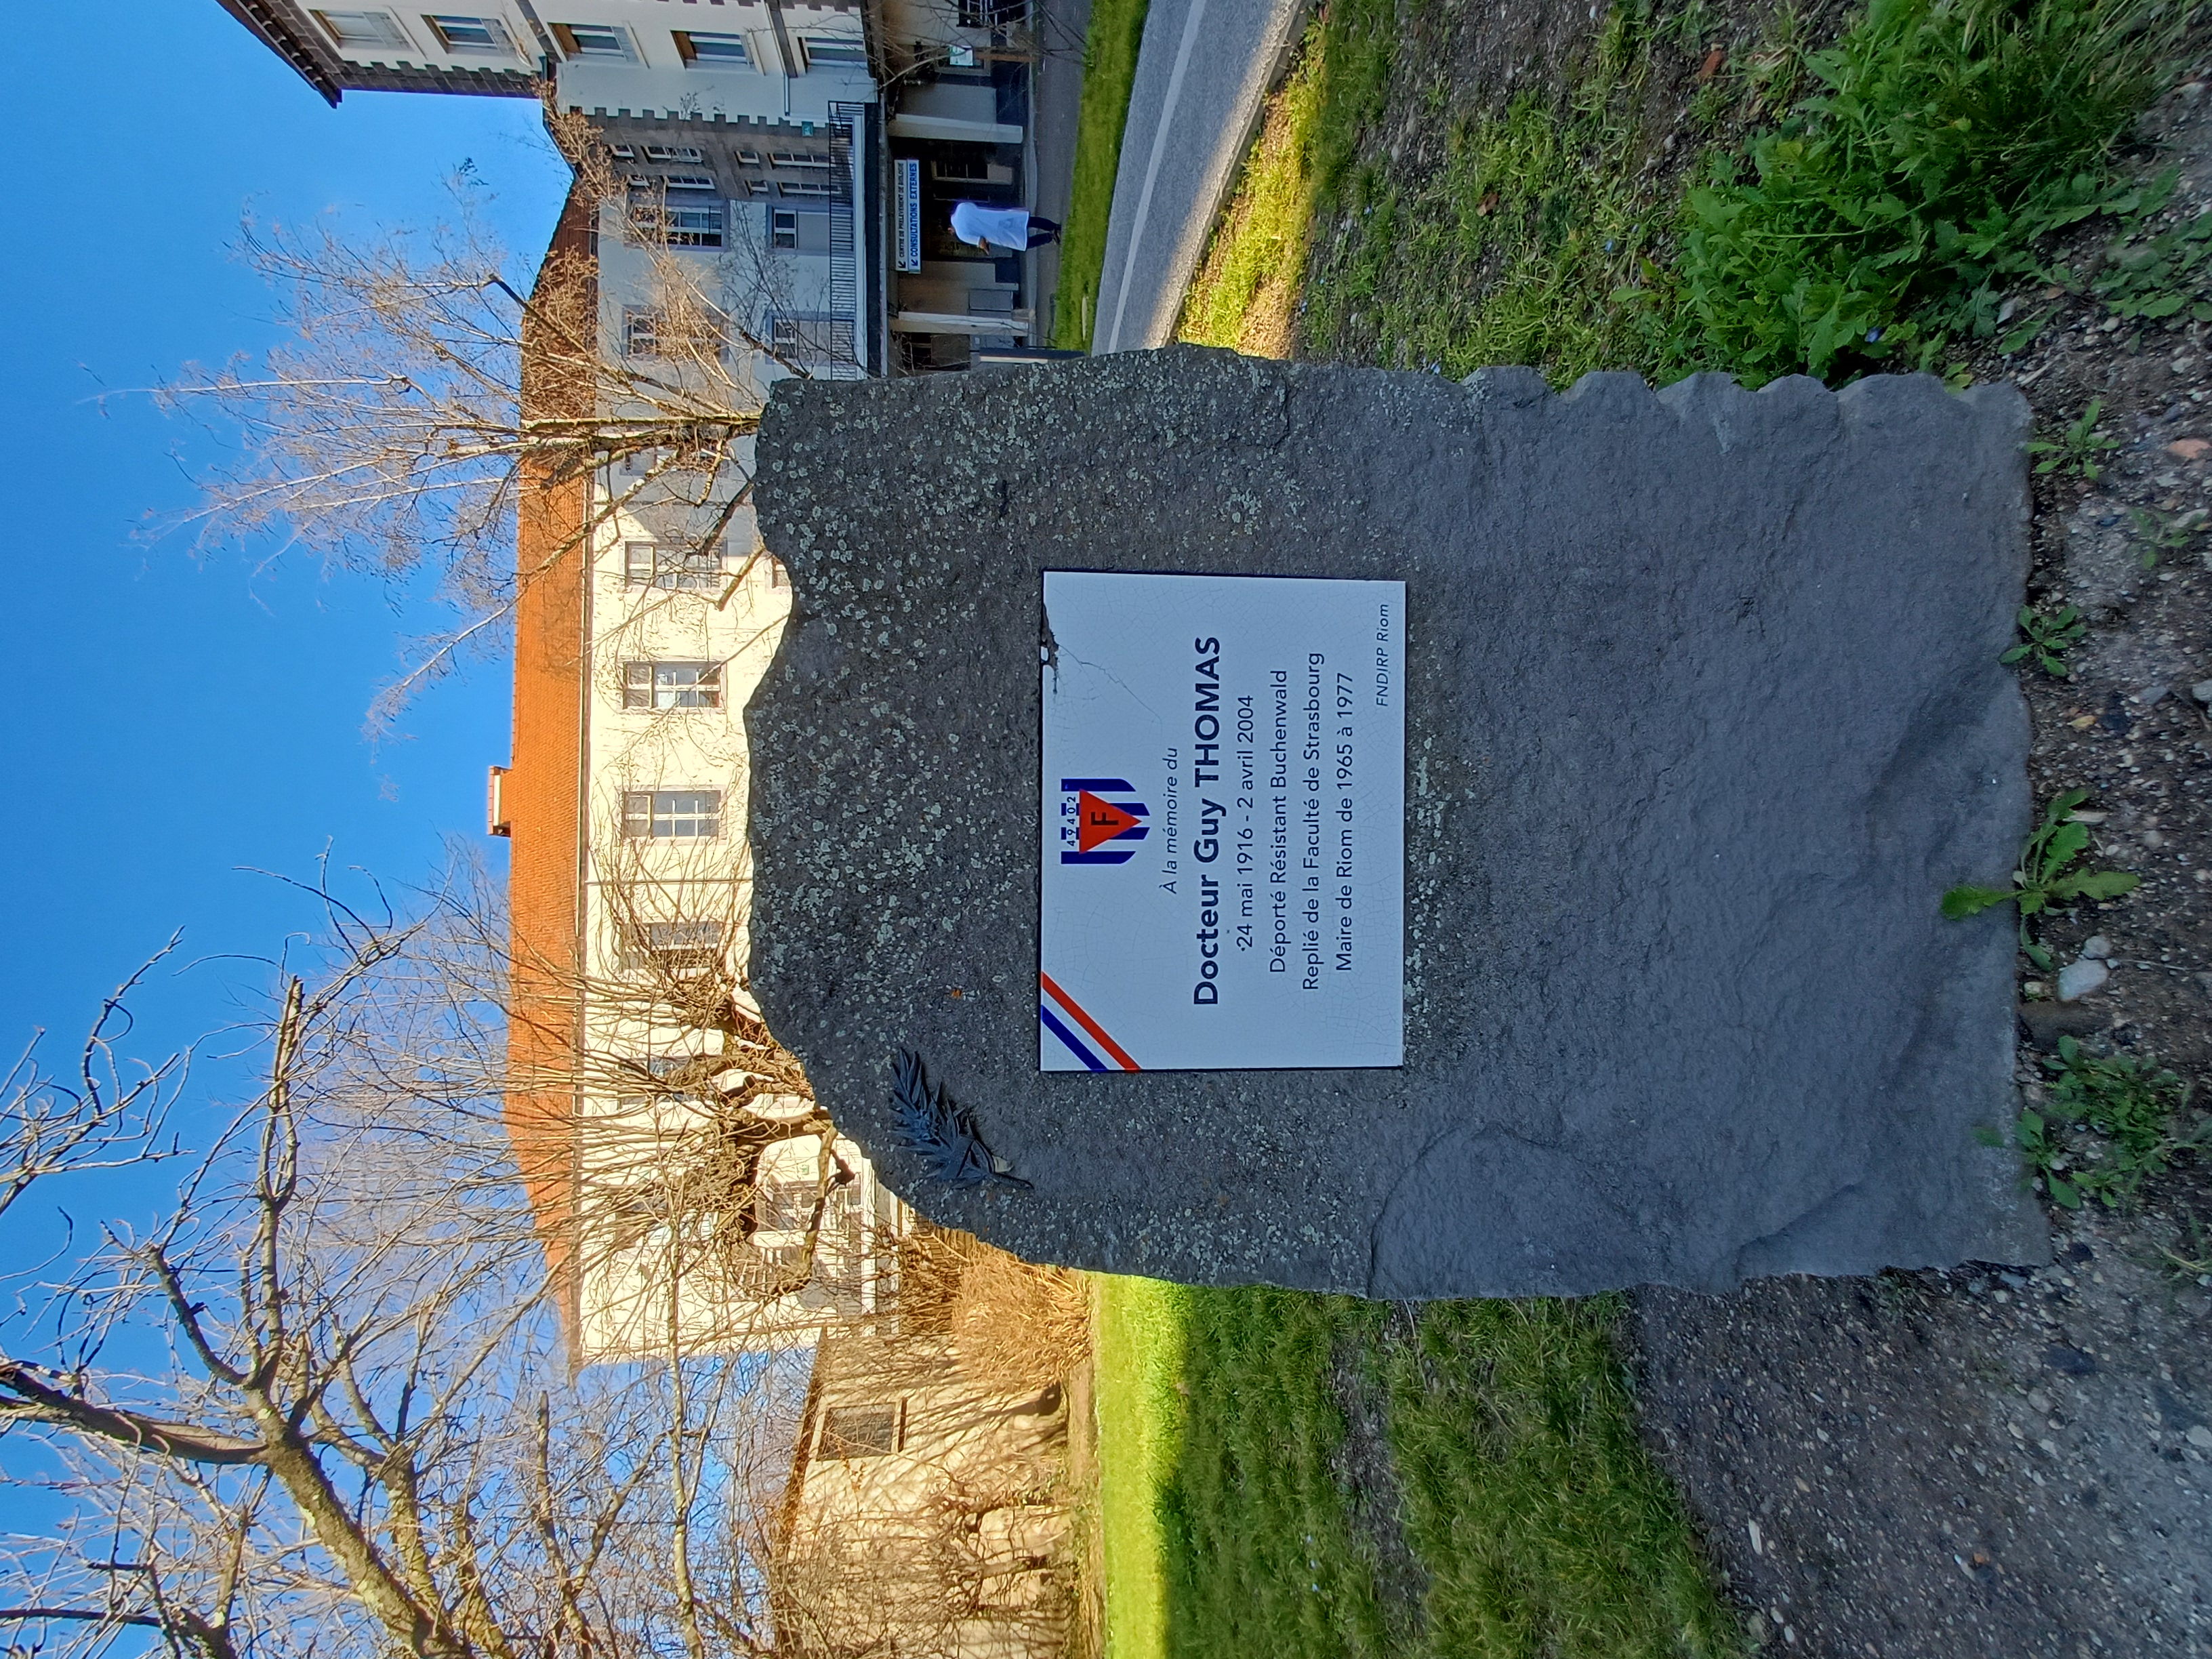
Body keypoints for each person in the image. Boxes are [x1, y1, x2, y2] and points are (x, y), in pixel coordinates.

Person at [949, 199, 1061, 253]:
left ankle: (1050, 237)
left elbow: (981, 241)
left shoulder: (961, 233)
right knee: (1027, 222)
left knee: (1024, 243)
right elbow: (976, 208)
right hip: (997, 217)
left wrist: (986, 250)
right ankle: (1053, 226)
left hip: (996, 233)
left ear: (950, 229)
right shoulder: (962, 207)